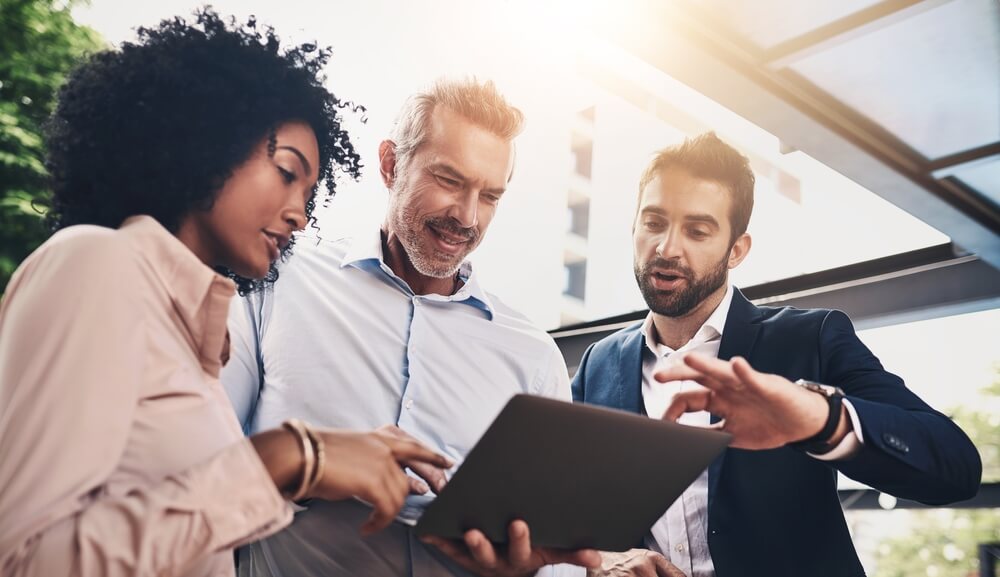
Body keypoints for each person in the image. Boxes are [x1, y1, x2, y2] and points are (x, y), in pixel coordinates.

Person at [0, 11, 450, 577]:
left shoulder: (191, 339)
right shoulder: (97, 262)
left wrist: (318, 459)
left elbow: (174, 530)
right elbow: (22, 560)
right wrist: (289, 456)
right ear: (205, 142)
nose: (301, 214)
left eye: (311, 191)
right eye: (288, 172)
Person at [222, 78, 599, 577]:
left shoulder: (533, 357)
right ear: (390, 164)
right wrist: (312, 465)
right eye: (449, 180)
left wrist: (528, 568)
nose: (466, 216)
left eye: (488, 196)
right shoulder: (277, 282)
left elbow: (556, 555)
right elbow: (200, 473)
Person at [571, 133, 982, 577]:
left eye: (697, 231)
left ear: (737, 250)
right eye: (653, 223)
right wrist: (603, 559)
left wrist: (822, 419)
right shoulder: (600, 363)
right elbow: (560, 502)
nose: (668, 248)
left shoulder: (810, 339)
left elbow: (954, 466)